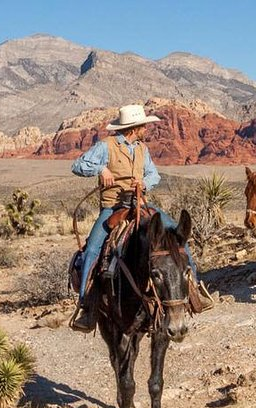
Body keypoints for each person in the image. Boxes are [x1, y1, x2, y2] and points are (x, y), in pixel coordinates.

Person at [70, 104, 211, 333]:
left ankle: (194, 290)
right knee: (93, 250)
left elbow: (153, 174)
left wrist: (144, 183)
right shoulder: (106, 146)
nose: (146, 127)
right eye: (144, 125)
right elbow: (77, 165)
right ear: (135, 128)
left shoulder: (142, 149)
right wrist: (100, 170)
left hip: (141, 204)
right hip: (113, 207)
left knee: (177, 237)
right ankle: (87, 306)